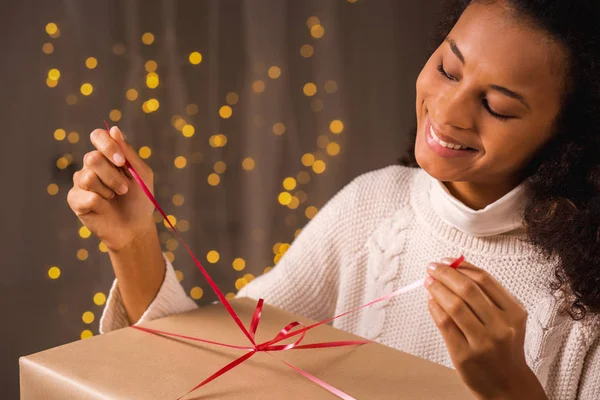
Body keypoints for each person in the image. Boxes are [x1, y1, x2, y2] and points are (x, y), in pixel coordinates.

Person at [67, 0, 600, 398]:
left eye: (498, 105)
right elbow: (212, 361)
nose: (449, 111)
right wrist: (133, 240)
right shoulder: (374, 204)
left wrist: (511, 389)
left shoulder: (587, 289)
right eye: (447, 69)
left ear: (566, 138)